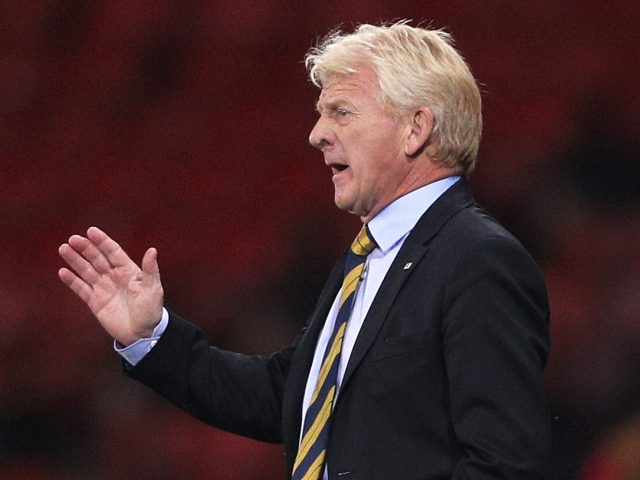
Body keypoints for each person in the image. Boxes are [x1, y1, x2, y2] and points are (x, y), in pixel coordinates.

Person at [58, 21, 551, 480]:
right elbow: (289, 397)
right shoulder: (366, 259)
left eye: (341, 112)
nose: (317, 134)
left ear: (415, 128)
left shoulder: (477, 260)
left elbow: (503, 464)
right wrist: (152, 337)